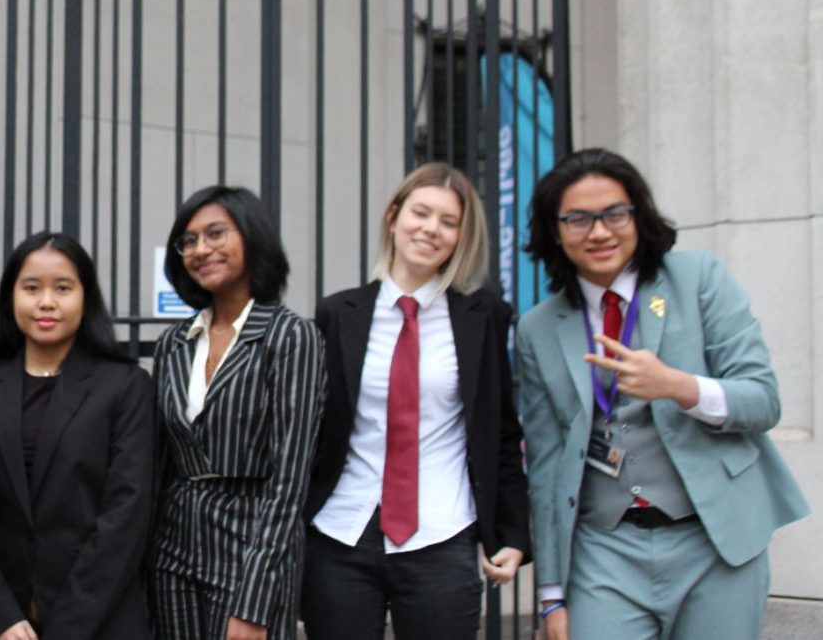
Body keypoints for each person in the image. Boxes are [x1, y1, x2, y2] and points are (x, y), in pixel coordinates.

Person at [517, 148, 809, 640]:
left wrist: (678, 387)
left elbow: (763, 401)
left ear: (638, 215)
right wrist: (551, 595)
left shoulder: (699, 280)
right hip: (603, 550)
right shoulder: (538, 328)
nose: (600, 232)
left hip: (714, 542)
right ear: (555, 230)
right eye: (578, 219)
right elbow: (545, 466)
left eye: (614, 213)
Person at [302, 163, 529, 639]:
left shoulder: (483, 316)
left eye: (449, 222)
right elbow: (315, 427)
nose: (431, 229)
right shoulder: (338, 313)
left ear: (461, 238)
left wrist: (511, 532)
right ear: (393, 217)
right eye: (421, 213)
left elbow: (501, 431)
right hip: (343, 533)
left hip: (442, 535)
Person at [148, 185, 327, 640]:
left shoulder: (291, 337)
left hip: (251, 544)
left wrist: (256, 599)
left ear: (252, 237)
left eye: (214, 234)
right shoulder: (174, 342)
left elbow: (290, 480)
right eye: (188, 241)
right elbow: (163, 458)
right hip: (174, 545)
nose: (200, 250)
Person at [0, 232, 157, 640]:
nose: (46, 302)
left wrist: (66, 626)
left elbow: (126, 514)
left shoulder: (125, 386)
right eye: (31, 288)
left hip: (99, 621)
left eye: (63, 288)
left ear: (86, 297)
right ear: (10, 295)